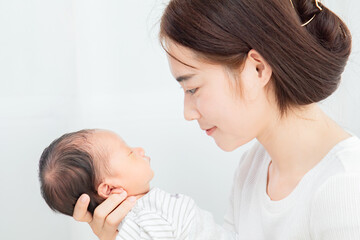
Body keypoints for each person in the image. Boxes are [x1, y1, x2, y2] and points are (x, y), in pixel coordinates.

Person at [72, 0, 360, 239]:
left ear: (256, 70)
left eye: (193, 88)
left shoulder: (345, 188)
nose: (188, 112)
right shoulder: (254, 168)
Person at [39, 129, 235, 239]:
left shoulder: (145, 210)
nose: (140, 149)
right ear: (110, 189)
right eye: (130, 153)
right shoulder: (141, 220)